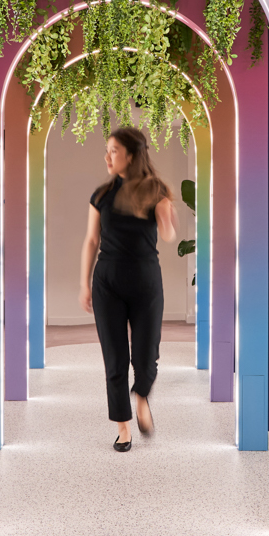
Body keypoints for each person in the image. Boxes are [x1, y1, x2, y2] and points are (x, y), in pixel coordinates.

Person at [79, 126, 179, 452]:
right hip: (107, 282)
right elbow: (91, 240)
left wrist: (166, 216)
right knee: (115, 359)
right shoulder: (101, 195)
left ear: (131, 156)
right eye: (107, 150)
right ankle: (123, 427)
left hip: (146, 282)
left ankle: (142, 396)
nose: (107, 156)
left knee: (147, 357)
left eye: (113, 151)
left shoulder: (155, 191)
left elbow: (167, 237)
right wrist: (84, 283)